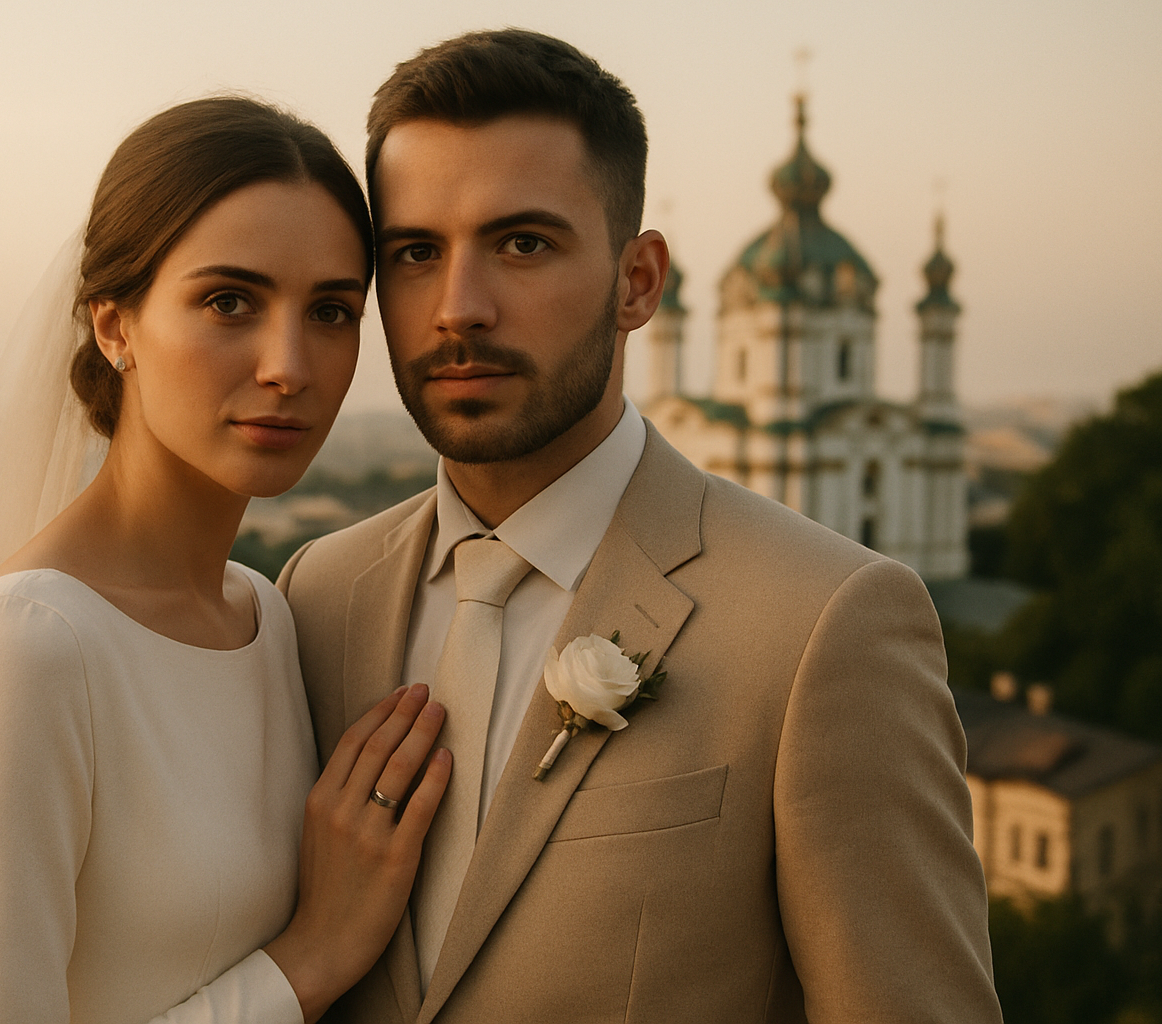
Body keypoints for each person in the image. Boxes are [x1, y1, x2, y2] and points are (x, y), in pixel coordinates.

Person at [278, 30, 1003, 1023]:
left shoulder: (825, 623)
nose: (459, 309)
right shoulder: (317, 591)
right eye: (415, 253)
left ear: (639, 281)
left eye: (523, 243)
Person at [0, 96, 452, 1024]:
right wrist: (311, 960)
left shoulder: (267, 616)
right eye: (229, 301)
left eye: (332, 310)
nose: (289, 365)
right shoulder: (29, 645)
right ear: (114, 327)